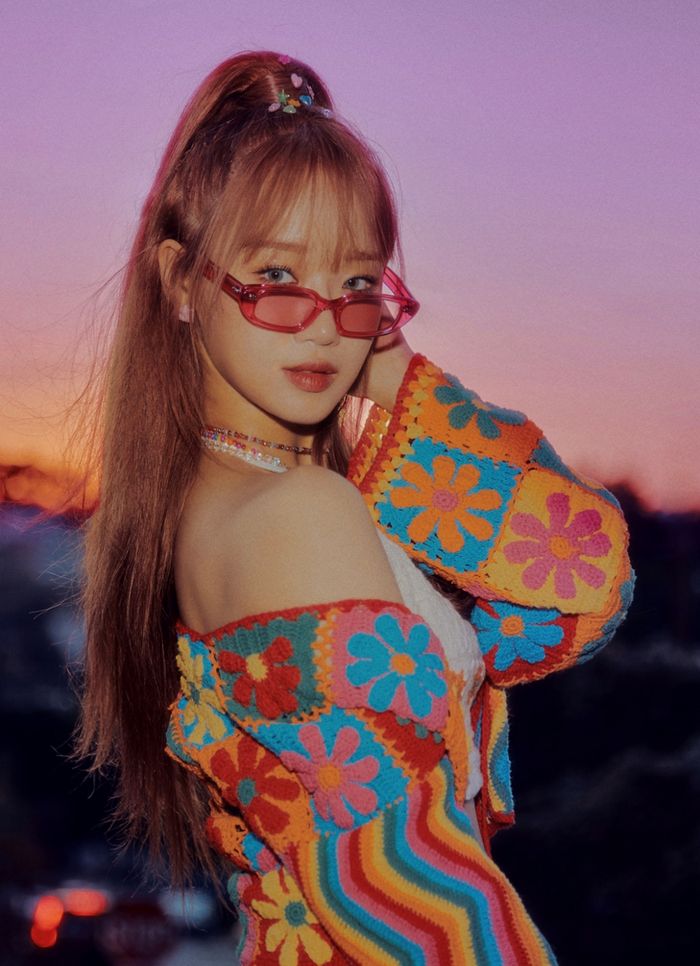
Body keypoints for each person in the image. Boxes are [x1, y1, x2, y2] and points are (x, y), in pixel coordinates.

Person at [74, 51, 635, 964]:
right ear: (180, 281)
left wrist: (397, 372)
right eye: (277, 276)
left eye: (358, 284)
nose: (325, 322)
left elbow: (578, 590)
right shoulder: (296, 510)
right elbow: (408, 886)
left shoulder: (236, 499)